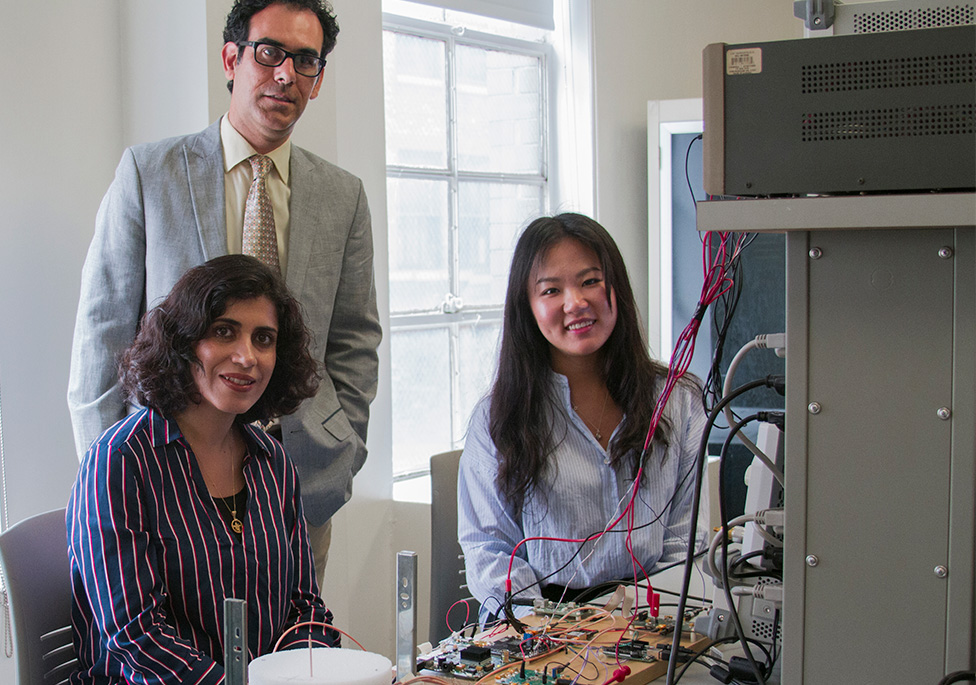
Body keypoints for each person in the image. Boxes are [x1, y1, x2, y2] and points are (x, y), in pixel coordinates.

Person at [66, 0, 380, 585]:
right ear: (231, 58)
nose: (287, 74)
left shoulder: (344, 197)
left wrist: (344, 449)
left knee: (287, 650)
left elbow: (355, 342)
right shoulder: (149, 173)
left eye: (307, 61)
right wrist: (108, 482)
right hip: (163, 483)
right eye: (271, 53)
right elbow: (101, 337)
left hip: (299, 478)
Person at [67, 255, 339, 684]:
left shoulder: (274, 463)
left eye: (263, 338)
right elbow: (136, 636)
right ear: (184, 341)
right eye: (224, 331)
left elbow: (305, 609)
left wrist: (297, 675)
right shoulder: (120, 462)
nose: (246, 356)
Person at [457, 213, 706, 612]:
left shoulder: (678, 400)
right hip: (545, 629)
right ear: (529, 307)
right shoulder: (498, 417)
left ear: (616, 289)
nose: (575, 303)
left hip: (655, 619)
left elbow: (685, 542)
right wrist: (541, 633)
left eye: (590, 281)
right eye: (551, 290)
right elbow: (490, 550)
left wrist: (654, 624)